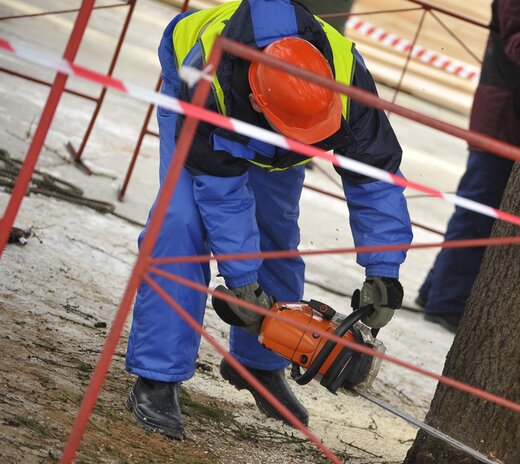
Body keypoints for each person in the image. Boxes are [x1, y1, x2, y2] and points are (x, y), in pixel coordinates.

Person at [125, 0, 413, 440]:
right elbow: (220, 195)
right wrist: (242, 282)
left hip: (278, 132)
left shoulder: (344, 75)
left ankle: (258, 365)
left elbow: (376, 178)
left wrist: (384, 273)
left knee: (275, 233)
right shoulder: (208, 79)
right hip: (202, 117)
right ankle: (157, 378)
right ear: (263, 106)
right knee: (179, 226)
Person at [416, 0, 520, 332]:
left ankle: (435, 291)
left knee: (482, 210)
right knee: (479, 211)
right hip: (505, 114)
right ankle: (448, 302)